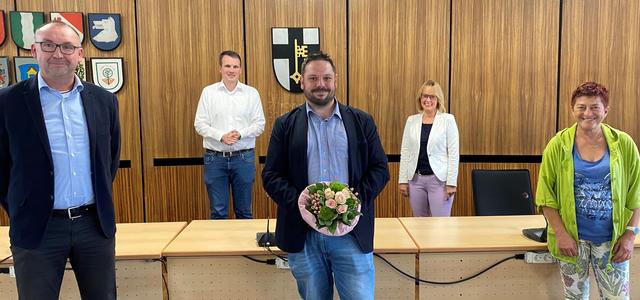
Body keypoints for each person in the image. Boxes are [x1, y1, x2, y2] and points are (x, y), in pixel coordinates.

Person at [0, 21, 121, 299]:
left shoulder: (103, 100)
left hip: (93, 226)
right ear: (34, 50)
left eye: (67, 47)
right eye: (49, 45)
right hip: (37, 228)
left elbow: (109, 159)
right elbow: (2, 167)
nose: (58, 53)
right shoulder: (8, 102)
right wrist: (23, 206)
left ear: (79, 54)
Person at [262, 51, 389, 300]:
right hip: (304, 236)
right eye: (313, 78)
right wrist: (305, 205)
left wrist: (352, 204)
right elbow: (271, 175)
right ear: (302, 82)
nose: (321, 84)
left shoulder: (361, 121)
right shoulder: (284, 125)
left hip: (351, 236)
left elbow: (380, 169)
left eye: (326, 78)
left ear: (335, 80)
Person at [536, 82, 640, 299]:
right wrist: (562, 234)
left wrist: (630, 235)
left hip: (612, 240)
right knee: (575, 298)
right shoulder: (558, 145)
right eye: (581, 107)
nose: (587, 113)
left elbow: (637, 192)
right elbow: (546, 196)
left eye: (594, 107)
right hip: (573, 241)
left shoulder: (624, 144)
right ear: (572, 109)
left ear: (606, 110)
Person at [194, 50, 265, 219]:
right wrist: (221, 136)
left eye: (235, 66)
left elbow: (259, 124)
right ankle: (222, 246)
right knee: (218, 212)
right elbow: (199, 124)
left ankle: (243, 246)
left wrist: (240, 134)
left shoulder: (251, 93)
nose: (231, 70)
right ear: (220, 68)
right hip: (215, 159)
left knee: (244, 212)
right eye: (227, 66)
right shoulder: (208, 93)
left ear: (240, 70)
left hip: (243, 158)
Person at [398, 80, 459, 217]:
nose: (428, 100)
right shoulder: (411, 121)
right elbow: (405, 152)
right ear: (420, 98)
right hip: (415, 181)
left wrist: (451, 183)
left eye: (432, 97)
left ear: (438, 99)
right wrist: (402, 181)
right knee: (419, 226)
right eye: (425, 96)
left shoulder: (448, 120)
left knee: (440, 227)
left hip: (439, 182)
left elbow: (454, 154)